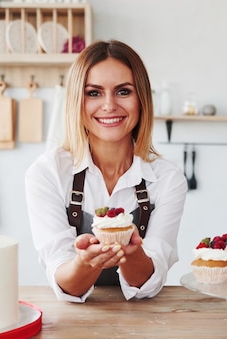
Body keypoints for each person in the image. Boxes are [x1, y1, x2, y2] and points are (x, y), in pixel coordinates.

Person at [25, 39, 188, 302]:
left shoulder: (167, 180)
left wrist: (132, 252)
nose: (109, 105)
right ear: (77, 100)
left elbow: (149, 283)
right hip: (74, 326)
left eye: (123, 92)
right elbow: (64, 282)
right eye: (94, 92)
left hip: (144, 324)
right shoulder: (47, 173)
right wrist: (86, 263)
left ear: (142, 99)